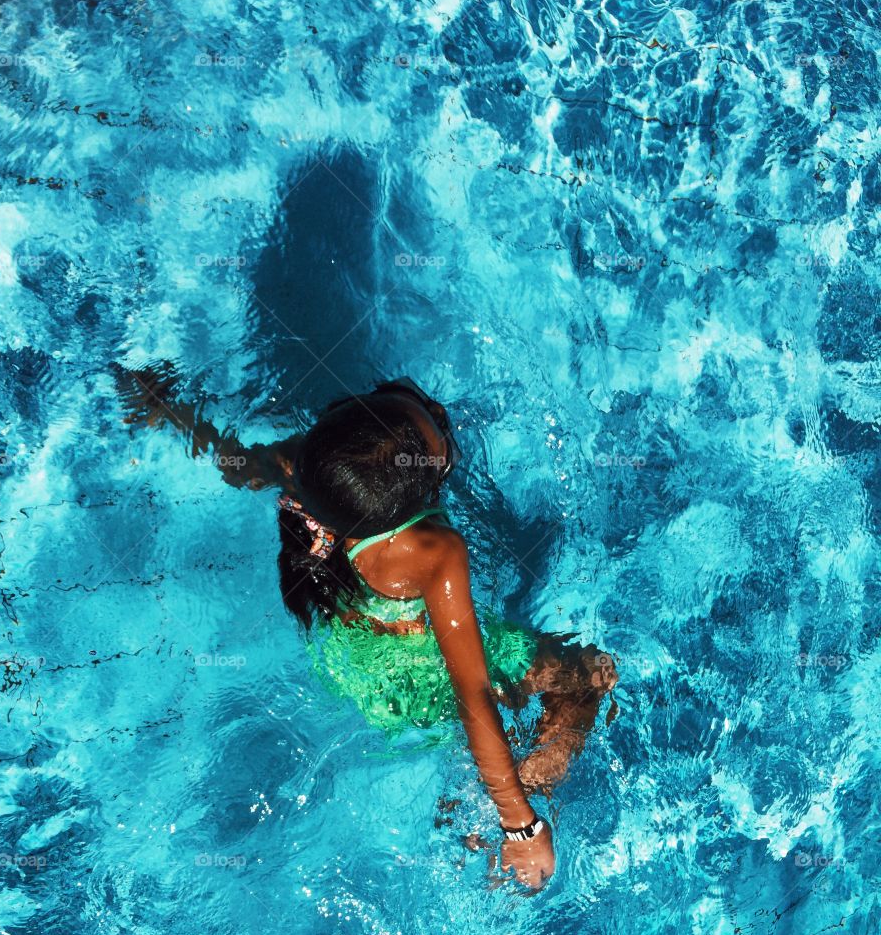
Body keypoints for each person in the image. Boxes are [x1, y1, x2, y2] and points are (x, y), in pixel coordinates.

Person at [113, 363, 618, 890]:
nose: (440, 415)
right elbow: (472, 693)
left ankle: (479, 797)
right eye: (437, 441)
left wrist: (171, 413)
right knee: (591, 673)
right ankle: (510, 802)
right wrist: (522, 824)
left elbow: (235, 463)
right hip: (415, 677)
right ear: (410, 505)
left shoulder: (309, 466)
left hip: (348, 659)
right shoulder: (433, 551)